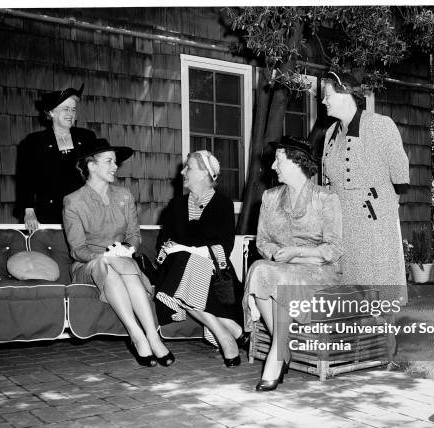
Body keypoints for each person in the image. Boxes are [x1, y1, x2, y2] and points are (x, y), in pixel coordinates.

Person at [63, 139, 174, 367]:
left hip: (122, 263)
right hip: (88, 265)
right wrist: (106, 258)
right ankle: (138, 334)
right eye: (109, 161)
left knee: (119, 268)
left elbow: (134, 234)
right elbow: (77, 250)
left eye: (115, 162)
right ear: (92, 166)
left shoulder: (124, 196)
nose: (115, 166)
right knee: (109, 265)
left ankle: (149, 337)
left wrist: (128, 249)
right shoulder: (74, 201)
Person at [243, 137, 343, 391]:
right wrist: (277, 255)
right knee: (258, 270)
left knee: (280, 278)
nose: (273, 166)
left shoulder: (325, 198)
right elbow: (263, 241)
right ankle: (283, 348)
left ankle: (276, 358)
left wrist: (295, 254)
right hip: (282, 267)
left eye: (279, 160)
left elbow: (333, 249)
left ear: (297, 162)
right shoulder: (270, 197)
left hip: (318, 271)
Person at [316, 71, 409, 305]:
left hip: (374, 228)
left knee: (376, 297)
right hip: (341, 227)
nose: (323, 101)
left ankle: (383, 340)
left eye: (327, 95)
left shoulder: (380, 125)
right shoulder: (330, 134)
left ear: (345, 94)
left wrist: (379, 209)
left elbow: (401, 179)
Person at [154, 150, 248, 367]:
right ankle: (228, 334)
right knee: (186, 259)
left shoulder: (223, 204)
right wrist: (172, 248)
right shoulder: (175, 205)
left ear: (206, 173)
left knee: (195, 260)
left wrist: (191, 251)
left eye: (189, 168)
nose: (183, 171)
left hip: (215, 272)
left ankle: (231, 334)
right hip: (174, 269)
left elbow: (224, 246)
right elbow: (162, 244)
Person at [16, 84, 96, 231]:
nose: (70, 113)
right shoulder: (33, 142)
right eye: (65, 109)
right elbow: (25, 180)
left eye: (73, 110)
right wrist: (29, 212)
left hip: (85, 212)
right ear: (51, 112)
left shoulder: (87, 138)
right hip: (50, 214)